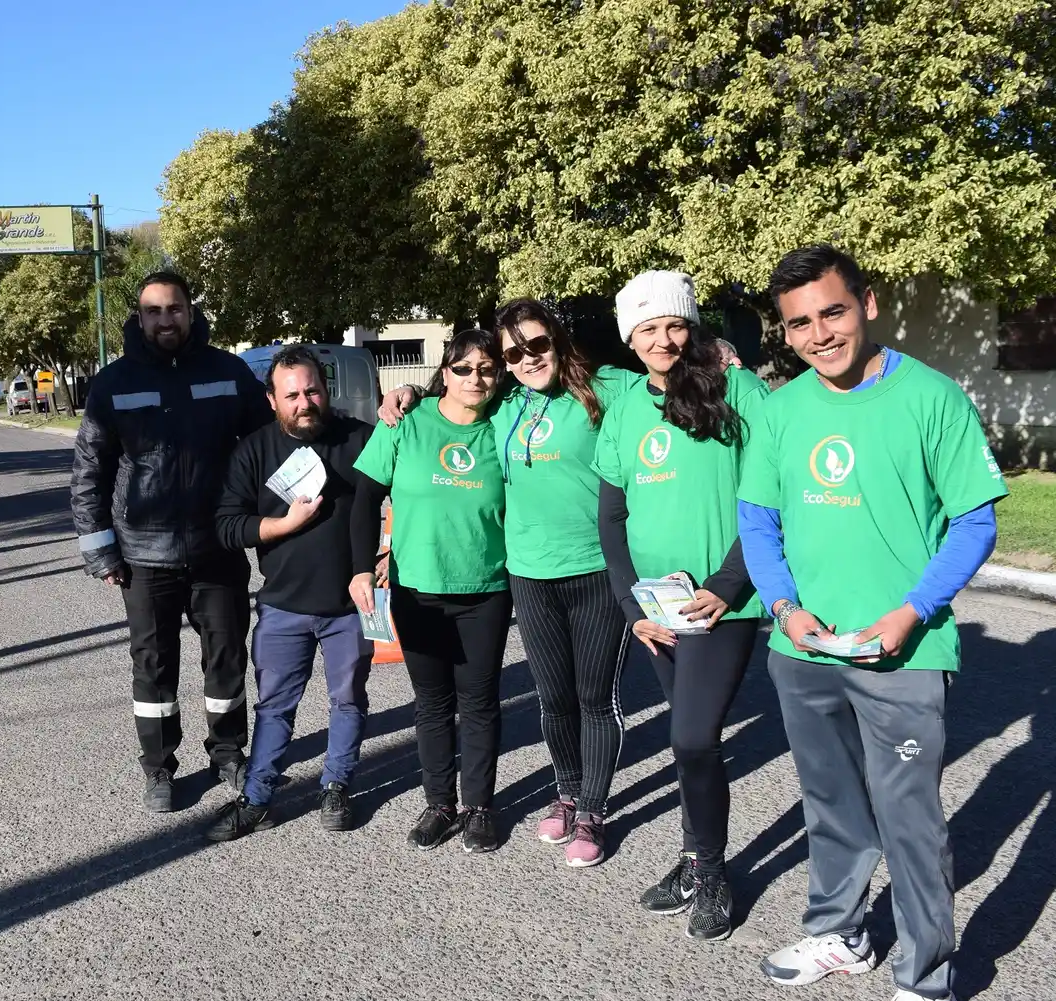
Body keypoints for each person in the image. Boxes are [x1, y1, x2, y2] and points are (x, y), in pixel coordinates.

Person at [737, 245, 1007, 1001]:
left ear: (869, 303)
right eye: (800, 323)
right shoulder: (781, 410)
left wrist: (912, 611)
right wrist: (785, 608)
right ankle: (841, 931)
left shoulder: (932, 397)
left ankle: (924, 975)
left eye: (833, 311)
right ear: (785, 335)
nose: (820, 333)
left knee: (909, 818)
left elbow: (973, 522)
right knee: (830, 804)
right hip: (805, 648)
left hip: (905, 650)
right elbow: (758, 522)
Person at [379, 301, 641, 867]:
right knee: (553, 698)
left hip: (596, 568)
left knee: (595, 699)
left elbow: (667, 386)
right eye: (512, 353)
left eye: (537, 345)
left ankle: (593, 811)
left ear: (559, 341)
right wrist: (408, 397)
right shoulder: (506, 407)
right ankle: (567, 794)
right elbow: (455, 407)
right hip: (528, 572)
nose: (525, 360)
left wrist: (715, 359)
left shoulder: (607, 390)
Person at [592, 270, 769, 943]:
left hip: (722, 604)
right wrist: (629, 601)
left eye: (673, 324)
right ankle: (697, 857)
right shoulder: (625, 409)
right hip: (654, 609)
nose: (663, 338)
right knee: (687, 737)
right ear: (629, 338)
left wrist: (727, 585)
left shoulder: (735, 386)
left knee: (692, 737)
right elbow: (612, 517)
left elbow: (768, 496)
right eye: (647, 328)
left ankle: (713, 870)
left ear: (691, 325)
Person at [70, 271, 273, 813]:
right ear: (139, 317)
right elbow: (91, 469)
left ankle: (228, 752)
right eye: (154, 311)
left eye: (174, 309)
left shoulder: (228, 372)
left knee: (225, 658)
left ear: (190, 312)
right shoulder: (113, 383)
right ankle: (159, 768)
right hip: (143, 554)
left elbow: (268, 446)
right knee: (153, 665)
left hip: (218, 548)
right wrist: (100, 548)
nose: (165, 319)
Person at [208, 346, 381, 841]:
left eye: (312, 390)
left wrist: (388, 555)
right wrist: (283, 524)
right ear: (272, 400)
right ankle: (257, 797)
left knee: (348, 700)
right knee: (274, 707)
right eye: (292, 395)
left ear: (325, 391)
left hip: (353, 607)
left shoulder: (360, 439)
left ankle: (336, 786)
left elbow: (407, 491)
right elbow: (226, 526)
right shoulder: (254, 452)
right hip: (283, 606)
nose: (304, 402)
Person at [355, 328, 511, 854]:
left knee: (481, 701)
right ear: (444, 372)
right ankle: (440, 803)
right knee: (432, 702)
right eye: (463, 368)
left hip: (486, 587)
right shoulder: (407, 421)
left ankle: (480, 806)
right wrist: (360, 567)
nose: (475, 378)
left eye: (487, 368)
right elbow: (365, 497)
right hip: (418, 587)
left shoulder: (506, 426)